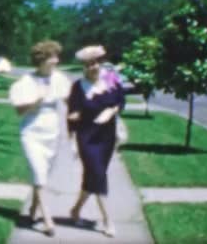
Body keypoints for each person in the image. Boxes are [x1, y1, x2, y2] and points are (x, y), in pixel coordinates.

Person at [8, 40, 71, 237]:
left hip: (52, 133)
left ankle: (33, 211)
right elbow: (19, 110)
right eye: (53, 57)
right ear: (41, 60)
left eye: (57, 57)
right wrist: (35, 102)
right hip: (32, 133)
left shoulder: (59, 79)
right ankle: (48, 220)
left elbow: (71, 102)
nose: (56, 60)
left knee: (41, 176)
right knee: (39, 173)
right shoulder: (25, 82)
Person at [67, 45, 125, 237]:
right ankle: (108, 220)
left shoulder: (111, 78)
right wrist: (72, 139)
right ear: (84, 66)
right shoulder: (78, 86)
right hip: (87, 137)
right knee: (99, 175)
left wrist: (111, 111)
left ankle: (75, 210)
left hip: (106, 137)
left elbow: (121, 100)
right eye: (89, 64)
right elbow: (72, 114)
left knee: (93, 177)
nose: (94, 66)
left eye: (96, 62)